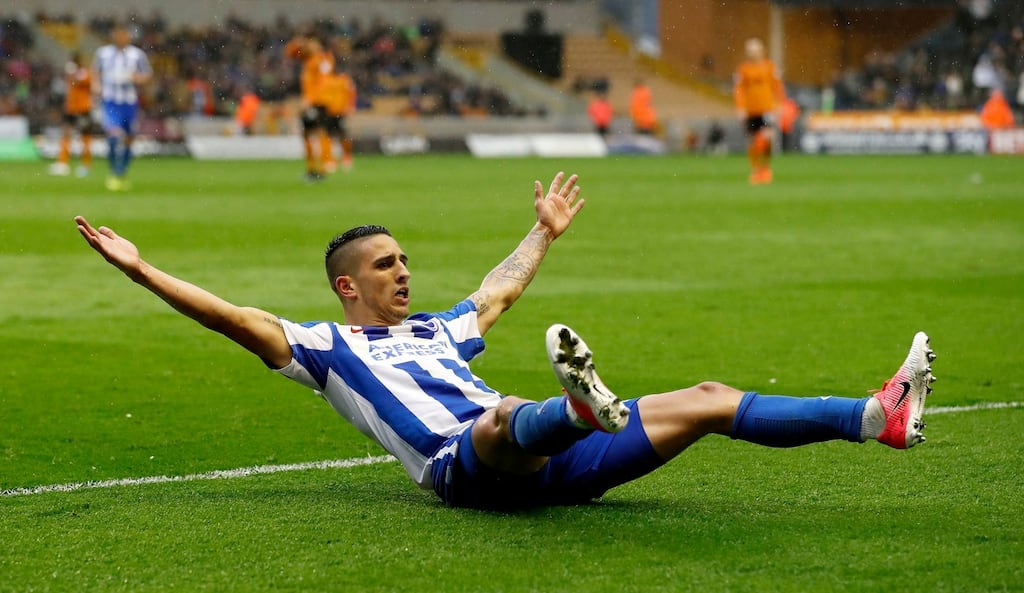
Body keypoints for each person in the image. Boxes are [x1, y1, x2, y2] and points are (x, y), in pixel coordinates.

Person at [74, 171, 936, 510]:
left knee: (708, 397)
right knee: (497, 419)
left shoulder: (441, 328)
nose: (404, 272)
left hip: (556, 465)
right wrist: (142, 270)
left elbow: (500, 288)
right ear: (348, 286)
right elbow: (232, 315)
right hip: (470, 468)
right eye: (385, 265)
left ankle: (873, 417)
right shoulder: (326, 345)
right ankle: (572, 406)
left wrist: (544, 232)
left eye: (405, 258)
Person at [92, 24, 152, 191]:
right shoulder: (103, 54)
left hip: (129, 102)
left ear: (128, 36)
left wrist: (137, 78)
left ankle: (122, 171)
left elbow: (147, 75)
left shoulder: (137, 55)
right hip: (110, 101)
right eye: (117, 34)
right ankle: (114, 171)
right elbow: (95, 72)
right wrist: (96, 85)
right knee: (112, 135)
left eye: (123, 35)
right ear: (113, 36)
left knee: (129, 138)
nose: (120, 38)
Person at [733, 37, 786, 185]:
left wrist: (780, 104)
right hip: (750, 110)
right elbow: (739, 90)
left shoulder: (770, 67)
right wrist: (740, 108)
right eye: (749, 51)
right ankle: (756, 170)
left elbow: (778, 86)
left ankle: (765, 168)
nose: (752, 53)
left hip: (767, 108)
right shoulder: (743, 69)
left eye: (754, 50)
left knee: (768, 138)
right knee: (752, 141)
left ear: (761, 51)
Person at [287, 36, 334, 182]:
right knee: (308, 134)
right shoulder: (308, 63)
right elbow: (290, 52)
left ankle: (324, 167)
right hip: (311, 102)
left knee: (319, 132)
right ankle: (312, 169)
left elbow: (323, 80)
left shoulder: (320, 60)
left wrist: (309, 100)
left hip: (318, 102)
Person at [49, 51, 94, 178]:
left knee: (85, 137)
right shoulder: (74, 73)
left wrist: (72, 74)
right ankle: (63, 163)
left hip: (83, 108)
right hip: (71, 109)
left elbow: (83, 83)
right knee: (66, 134)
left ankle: (86, 165)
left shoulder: (85, 73)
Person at [320, 67, 357, 173]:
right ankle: (330, 160)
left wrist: (351, 106)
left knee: (342, 135)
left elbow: (351, 92)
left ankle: (347, 157)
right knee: (328, 136)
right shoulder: (325, 78)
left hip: (340, 111)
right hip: (327, 111)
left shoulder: (344, 79)